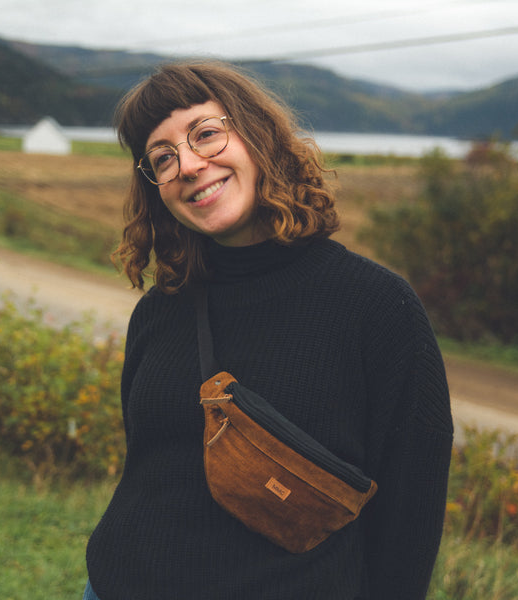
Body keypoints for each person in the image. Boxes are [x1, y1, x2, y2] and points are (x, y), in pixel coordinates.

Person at [84, 60, 453, 600]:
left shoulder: (376, 306)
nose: (188, 164)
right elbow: (148, 469)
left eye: (205, 134)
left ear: (256, 134)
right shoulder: (160, 312)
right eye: (162, 158)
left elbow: (410, 516)